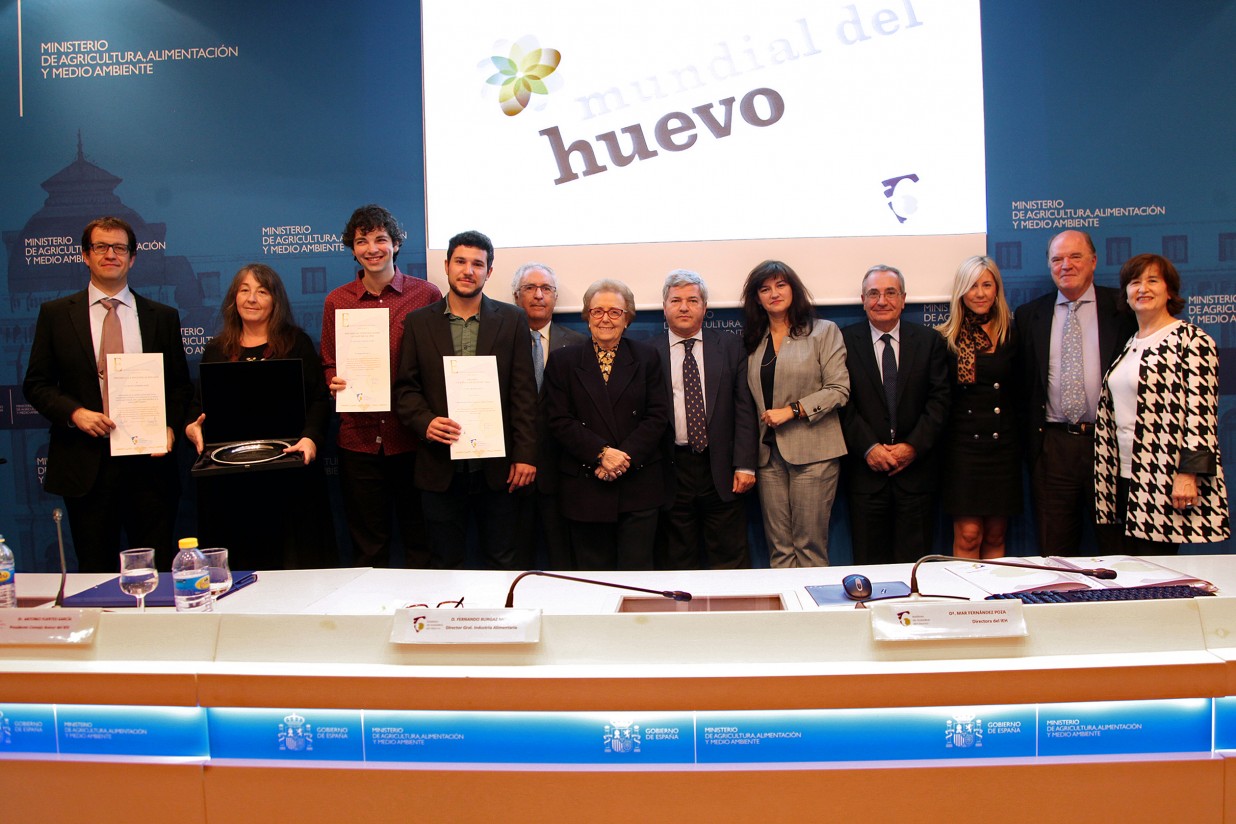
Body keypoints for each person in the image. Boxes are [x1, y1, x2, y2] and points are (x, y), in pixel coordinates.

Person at [23, 216, 192, 572]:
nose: (110, 254)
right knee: (94, 573)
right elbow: (36, 384)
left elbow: (179, 386)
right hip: (85, 465)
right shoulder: (56, 315)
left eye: (119, 248)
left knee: (157, 570)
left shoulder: (162, 317)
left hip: (149, 466)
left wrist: (169, 427)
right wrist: (75, 413)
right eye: (100, 246)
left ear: (132, 258)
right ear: (86, 256)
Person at [394, 230, 538, 569]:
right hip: (439, 466)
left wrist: (525, 455)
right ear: (446, 266)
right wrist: (426, 422)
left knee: (502, 560)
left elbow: (523, 393)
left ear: (489, 272)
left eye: (477, 264)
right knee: (444, 564)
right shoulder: (417, 322)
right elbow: (405, 390)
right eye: (460, 261)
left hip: (499, 469)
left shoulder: (512, 320)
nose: (468, 271)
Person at [185, 264, 335, 570]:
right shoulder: (216, 349)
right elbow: (198, 406)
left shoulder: (297, 343)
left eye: (262, 291)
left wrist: (310, 438)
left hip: (288, 474)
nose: (252, 298)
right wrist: (192, 427)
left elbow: (319, 400)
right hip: (231, 480)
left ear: (275, 300)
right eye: (244, 290)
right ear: (234, 298)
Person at [321, 205, 442, 568]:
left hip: (412, 440)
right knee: (368, 548)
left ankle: (425, 602)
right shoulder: (337, 301)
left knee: (421, 542)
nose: (372, 248)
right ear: (352, 248)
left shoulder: (426, 295)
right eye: (362, 241)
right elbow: (329, 361)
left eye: (380, 239)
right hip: (359, 441)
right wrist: (333, 381)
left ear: (396, 244)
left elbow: (436, 363)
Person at [1095, 254, 1230, 552]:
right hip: (1123, 477)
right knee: (1127, 569)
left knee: (1153, 570)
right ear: (1126, 294)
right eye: (1135, 282)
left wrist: (1188, 473)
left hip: (1164, 478)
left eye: (1152, 281)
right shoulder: (1130, 343)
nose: (1143, 288)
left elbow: (1201, 415)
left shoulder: (1191, 341)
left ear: (1169, 291)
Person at [1015, 230, 1134, 554]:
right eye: (1057, 259)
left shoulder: (1123, 309)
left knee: (1117, 550)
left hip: (1109, 445)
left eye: (1075, 256)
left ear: (1093, 261)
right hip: (1053, 447)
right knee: (1054, 552)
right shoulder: (1029, 316)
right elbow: (1023, 387)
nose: (1065, 265)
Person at [544, 279, 669, 570]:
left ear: (627, 318)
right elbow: (559, 419)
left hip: (638, 484)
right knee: (593, 577)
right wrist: (600, 453)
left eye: (615, 312)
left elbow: (657, 415)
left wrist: (622, 459)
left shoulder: (647, 357)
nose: (605, 319)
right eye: (597, 311)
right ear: (587, 316)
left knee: (637, 577)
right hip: (586, 485)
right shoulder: (563, 361)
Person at [741, 260, 849, 568]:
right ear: (757, 298)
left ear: (794, 289)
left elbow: (839, 389)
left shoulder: (823, 331)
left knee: (809, 547)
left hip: (814, 454)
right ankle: (786, 602)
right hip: (768, 457)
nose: (774, 294)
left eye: (780, 285)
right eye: (765, 289)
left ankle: (812, 602)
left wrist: (793, 410)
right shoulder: (754, 340)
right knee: (780, 550)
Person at [841, 264, 950, 565]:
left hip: (916, 476)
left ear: (903, 299)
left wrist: (912, 447)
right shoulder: (843, 342)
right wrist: (869, 448)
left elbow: (940, 401)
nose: (882, 301)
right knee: (870, 568)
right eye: (873, 293)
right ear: (863, 300)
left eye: (890, 293)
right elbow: (841, 403)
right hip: (865, 476)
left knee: (914, 568)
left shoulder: (929, 341)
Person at [655, 269, 758, 570]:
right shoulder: (649, 350)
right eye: (676, 300)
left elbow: (744, 407)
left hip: (721, 468)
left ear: (705, 306)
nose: (684, 307)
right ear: (664, 307)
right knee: (677, 561)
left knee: (730, 559)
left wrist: (745, 464)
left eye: (692, 300)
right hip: (671, 469)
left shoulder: (731, 346)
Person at [936, 256, 1021, 559]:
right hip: (963, 450)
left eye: (987, 285)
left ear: (997, 290)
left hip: (1002, 448)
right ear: (961, 291)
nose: (980, 293)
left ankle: (995, 590)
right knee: (969, 535)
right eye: (973, 286)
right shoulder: (945, 337)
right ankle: (966, 592)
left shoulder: (1012, 333)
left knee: (996, 533)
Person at [511, 262, 586, 570]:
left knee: (564, 561)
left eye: (546, 289)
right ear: (516, 296)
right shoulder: (500, 341)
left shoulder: (579, 344)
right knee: (515, 563)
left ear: (555, 297)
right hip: (513, 473)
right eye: (529, 288)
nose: (538, 295)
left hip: (564, 473)